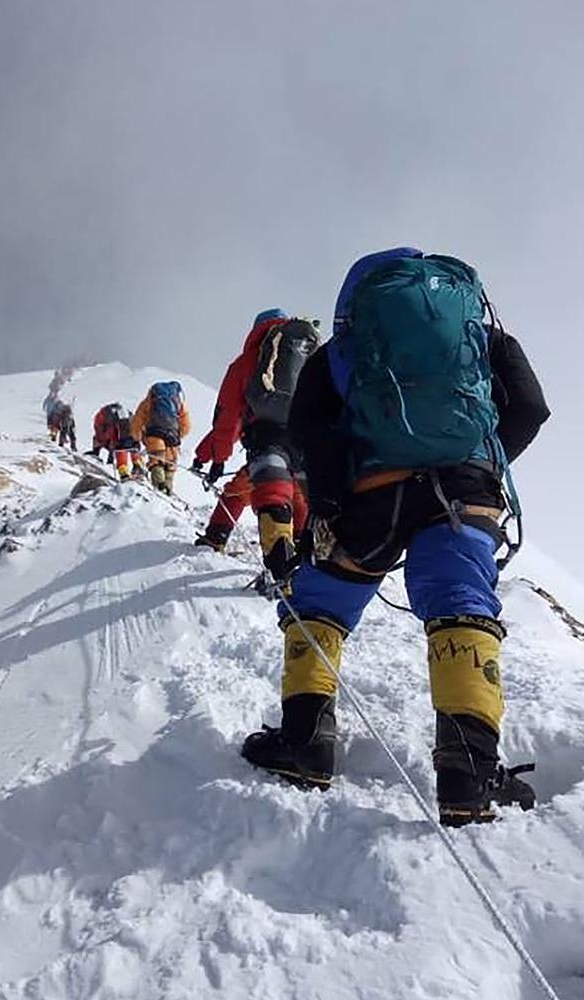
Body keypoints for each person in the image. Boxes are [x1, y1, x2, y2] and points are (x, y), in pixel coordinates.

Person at [241, 248, 550, 828]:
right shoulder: (480, 338)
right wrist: (483, 464)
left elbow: (308, 427)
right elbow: (531, 407)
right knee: (461, 607)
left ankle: (307, 745)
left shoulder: (344, 350)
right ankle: (470, 776)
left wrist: (332, 500)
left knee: (320, 607)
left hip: (371, 496)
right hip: (465, 492)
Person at [195, 310, 320, 580]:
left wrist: (215, 458)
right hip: (306, 441)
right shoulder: (307, 357)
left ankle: (271, 564)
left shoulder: (248, 362)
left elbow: (227, 419)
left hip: (266, 440)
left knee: (251, 493)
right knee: (300, 497)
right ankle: (303, 563)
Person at [193, 430, 309, 552]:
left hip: (268, 458)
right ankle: (301, 546)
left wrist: (202, 457)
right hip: (301, 463)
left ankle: (216, 537)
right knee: (300, 501)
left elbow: (226, 429)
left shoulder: (261, 410)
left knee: (235, 494)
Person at [131, 381, 190, 494]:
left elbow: (137, 422)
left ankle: (159, 488)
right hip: (172, 439)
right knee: (170, 466)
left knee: (156, 462)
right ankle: (167, 491)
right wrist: (178, 435)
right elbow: (186, 426)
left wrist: (137, 437)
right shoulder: (179, 403)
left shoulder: (147, 402)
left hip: (154, 436)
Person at [88, 403, 145, 480]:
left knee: (122, 450)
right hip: (129, 437)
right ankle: (135, 468)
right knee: (128, 448)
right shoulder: (124, 417)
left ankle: (126, 472)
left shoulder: (105, 419)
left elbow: (105, 437)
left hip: (118, 439)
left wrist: (110, 454)